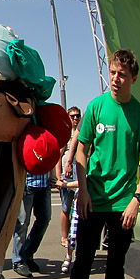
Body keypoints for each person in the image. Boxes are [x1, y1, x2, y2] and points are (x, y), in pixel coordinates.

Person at [53, 49, 140, 279]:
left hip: (123, 204)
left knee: (115, 266)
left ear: (133, 78)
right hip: (92, 199)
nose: (115, 79)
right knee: (82, 262)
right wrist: (82, 190)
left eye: (122, 75)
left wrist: (136, 199)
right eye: (112, 72)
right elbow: (81, 150)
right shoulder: (96, 106)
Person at [12, 168, 54, 278]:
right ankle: (18, 261)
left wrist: (53, 174)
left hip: (44, 184)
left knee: (44, 219)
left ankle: (27, 253)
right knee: (22, 223)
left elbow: (52, 155)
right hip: (27, 183)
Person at [58, 106, 81, 248]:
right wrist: (58, 177)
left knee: (78, 208)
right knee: (66, 207)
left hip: (80, 175)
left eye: (78, 116)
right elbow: (58, 156)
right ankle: (65, 237)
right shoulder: (65, 134)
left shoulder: (83, 133)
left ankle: (76, 236)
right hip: (67, 176)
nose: (76, 118)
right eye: (72, 116)